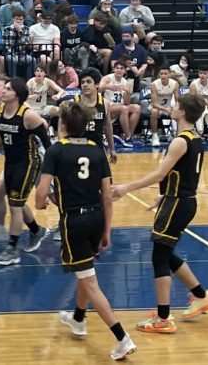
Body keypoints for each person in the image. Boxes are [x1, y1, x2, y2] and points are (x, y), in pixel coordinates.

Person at [35, 101, 136, 361]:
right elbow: (107, 194)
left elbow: (40, 194)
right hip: (97, 218)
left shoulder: (56, 151)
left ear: (64, 125)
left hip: (75, 222)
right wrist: (107, 230)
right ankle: (78, 319)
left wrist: (41, 202)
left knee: (90, 282)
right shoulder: (97, 149)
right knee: (85, 269)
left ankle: (122, 338)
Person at [111, 93, 208, 333]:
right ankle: (201, 296)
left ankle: (163, 318)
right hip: (182, 200)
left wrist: (125, 188)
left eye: (176, 105)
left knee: (159, 257)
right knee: (165, 251)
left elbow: (160, 174)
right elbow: (185, 175)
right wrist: (165, 196)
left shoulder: (180, 141)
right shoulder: (195, 138)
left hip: (178, 203)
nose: (171, 107)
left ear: (182, 112)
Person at [0, 78, 51, 265]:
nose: (3, 91)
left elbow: (47, 142)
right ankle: (37, 230)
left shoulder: (29, 115)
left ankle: (12, 249)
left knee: (15, 206)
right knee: (14, 201)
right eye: (3, 88)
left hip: (28, 163)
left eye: (8, 89)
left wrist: (50, 172)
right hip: (10, 162)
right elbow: (1, 135)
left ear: (17, 95)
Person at [75, 68, 118, 162]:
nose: (85, 85)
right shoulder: (74, 102)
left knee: (105, 176)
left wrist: (112, 149)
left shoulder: (104, 103)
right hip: (77, 145)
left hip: (97, 145)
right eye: (82, 82)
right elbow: (63, 128)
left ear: (97, 84)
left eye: (88, 82)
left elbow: (108, 126)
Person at [99, 60, 140, 144]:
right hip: (107, 106)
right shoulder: (108, 78)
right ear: (114, 69)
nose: (119, 70)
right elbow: (98, 88)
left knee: (137, 108)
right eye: (117, 68)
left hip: (120, 107)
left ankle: (129, 136)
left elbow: (126, 102)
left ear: (125, 71)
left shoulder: (125, 82)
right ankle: (128, 136)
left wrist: (128, 92)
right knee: (123, 108)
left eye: (121, 68)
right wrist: (110, 87)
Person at [189, 64, 208, 142]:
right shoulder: (193, 84)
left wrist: (207, 103)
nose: (202, 75)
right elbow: (192, 99)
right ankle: (196, 131)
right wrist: (200, 102)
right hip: (197, 105)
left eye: (205, 73)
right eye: (201, 73)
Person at [149, 66, 178, 147]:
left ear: (169, 75)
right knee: (154, 112)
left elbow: (177, 101)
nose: (163, 76)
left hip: (168, 106)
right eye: (161, 74)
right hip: (157, 106)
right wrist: (165, 109)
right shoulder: (154, 84)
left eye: (165, 74)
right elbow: (154, 103)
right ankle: (155, 136)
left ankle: (177, 134)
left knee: (179, 110)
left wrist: (175, 108)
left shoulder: (174, 84)